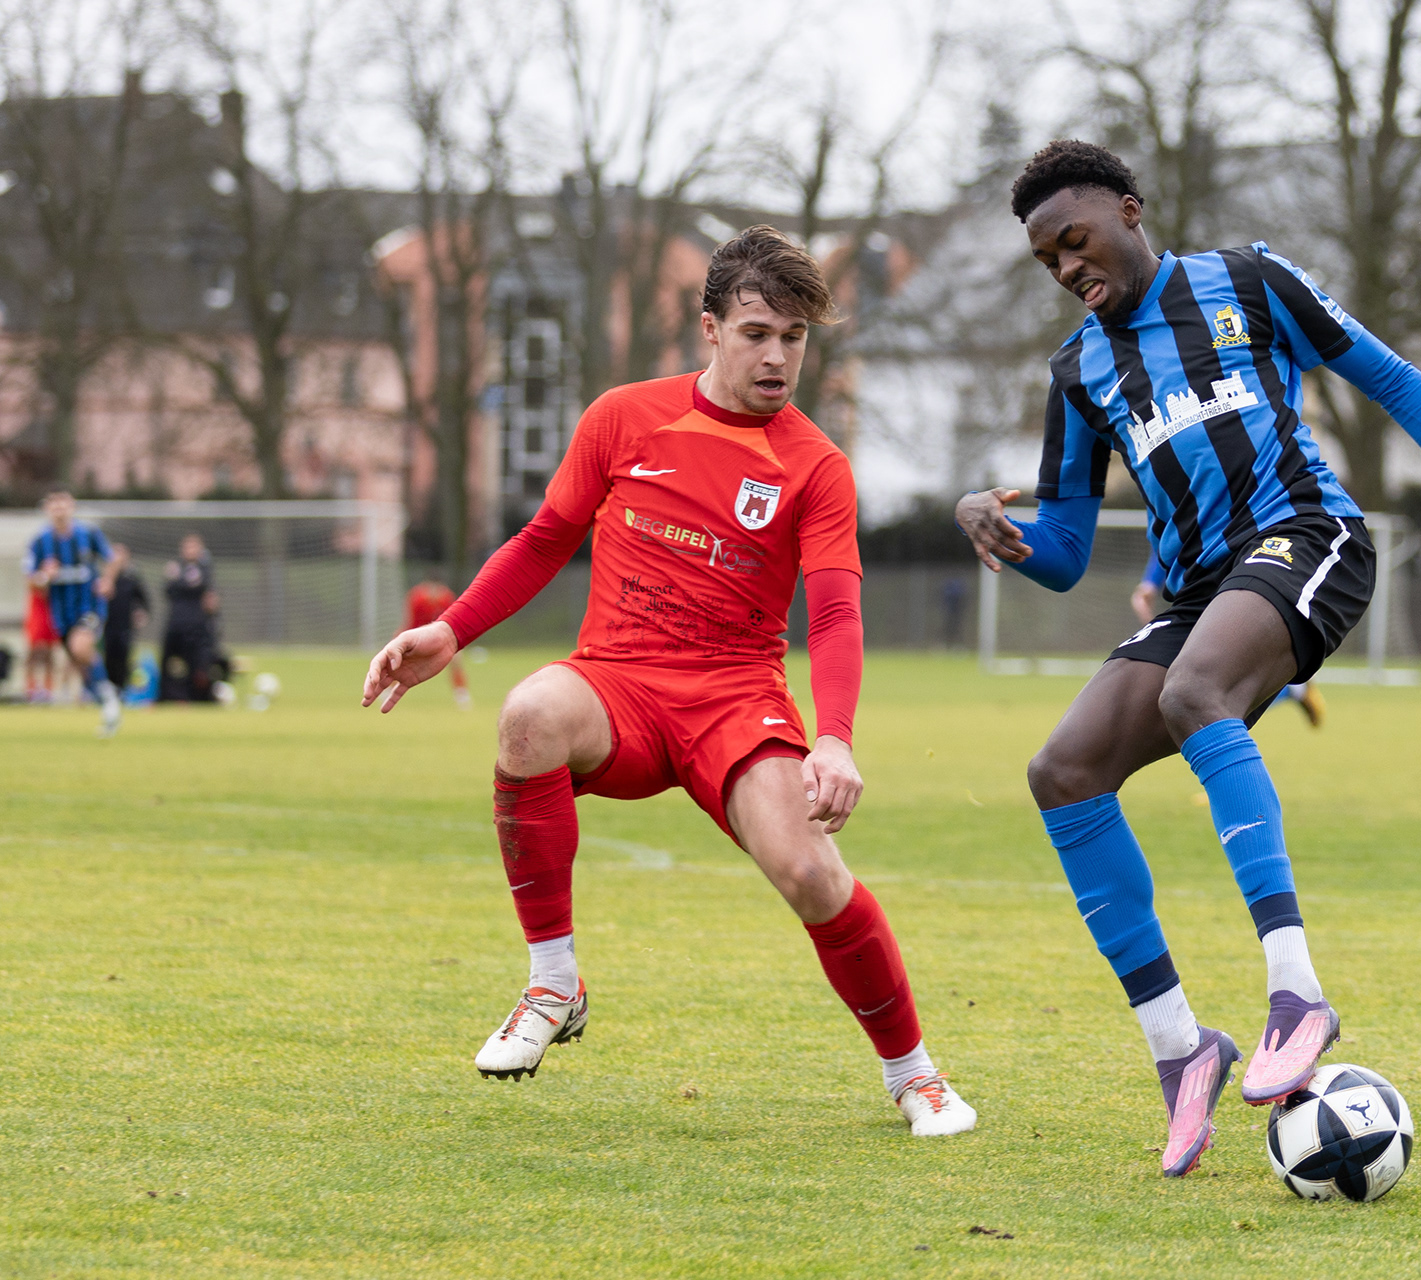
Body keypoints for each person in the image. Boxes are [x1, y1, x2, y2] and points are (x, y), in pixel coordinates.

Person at [954, 141, 1421, 1177]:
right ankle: (1182, 1050)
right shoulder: (1077, 371)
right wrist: (995, 530)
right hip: (1197, 589)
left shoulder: (1251, 282)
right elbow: (1065, 553)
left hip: (1309, 536)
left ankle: (1297, 990)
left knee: (1194, 690)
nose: (1067, 267)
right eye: (1048, 259)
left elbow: (1393, 380)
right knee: (1062, 771)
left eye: (1076, 239)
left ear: (1130, 210)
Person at [362, 226, 977, 1137]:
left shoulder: (815, 465)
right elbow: (544, 540)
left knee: (811, 872)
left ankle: (914, 1075)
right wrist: (452, 630)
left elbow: (838, 614)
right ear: (710, 328)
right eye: (758, 332)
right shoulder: (623, 416)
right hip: (616, 684)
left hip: (734, 698)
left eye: (796, 337)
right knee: (528, 712)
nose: (778, 356)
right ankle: (553, 983)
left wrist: (836, 735)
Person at [1133, 542, 1325, 728]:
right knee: (1194, 688)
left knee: (1204, 689)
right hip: (1189, 594)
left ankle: (1288, 691)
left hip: (1222, 583)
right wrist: (1150, 582)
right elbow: (1165, 539)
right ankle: (1291, 691)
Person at [23, 490, 122, 734]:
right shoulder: (40, 542)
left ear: (72, 506)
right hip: (61, 614)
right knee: (80, 661)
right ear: (47, 508)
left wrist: (108, 580)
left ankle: (109, 697)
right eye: (53, 503)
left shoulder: (88, 534)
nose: (59, 508)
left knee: (80, 646)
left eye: (63, 503)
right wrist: (45, 576)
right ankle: (106, 700)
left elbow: (113, 559)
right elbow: (32, 581)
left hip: (90, 607)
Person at [160, 534, 223, 702]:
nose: (190, 550)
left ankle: (195, 698)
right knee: (168, 663)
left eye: (194, 546)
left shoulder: (205, 569)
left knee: (196, 666)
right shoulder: (174, 567)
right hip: (176, 624)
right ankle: (165, 697)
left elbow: (210, 598)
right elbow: (168, 591)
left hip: (196, 626)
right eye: (187, 546)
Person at [405, 579, 471, 708]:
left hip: (441, 635)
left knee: (456, 660)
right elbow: (412, 621)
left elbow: (453, 618)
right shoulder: (417, 598)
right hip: (420, 634)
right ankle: (388, 689)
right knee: (402, 658)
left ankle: (461, 695)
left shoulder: (446, 597)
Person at [101, 543, 151, 694]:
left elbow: (144, 600)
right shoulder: (104, 578)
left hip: (125, 625)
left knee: (124, 658)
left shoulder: (132, 578)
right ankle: (108, 689)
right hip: (107, 625)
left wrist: (141, 613)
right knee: (108, 657)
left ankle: (122, 691)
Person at [22, 575, 57, 703]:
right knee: (34, 652)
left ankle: (48, 690)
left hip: (52, 611)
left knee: (49, 654)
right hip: (37, 612)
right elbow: (30, 582)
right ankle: (31, 689)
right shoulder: (34, 562)